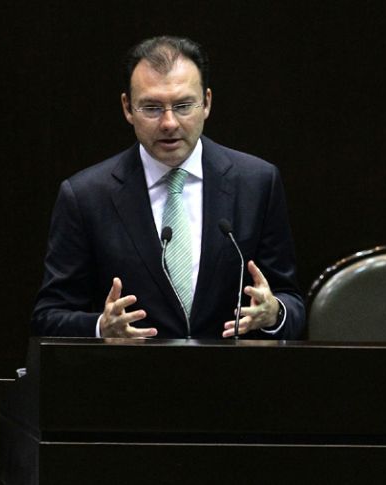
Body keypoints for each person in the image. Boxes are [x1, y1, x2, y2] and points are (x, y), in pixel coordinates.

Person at [31, 35, 305, 339]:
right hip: (130, 368)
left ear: (207, 103)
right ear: (127, 108)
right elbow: (49, 316)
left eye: (183, 105)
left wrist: (274, 313)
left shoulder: (257, 183)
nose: (169, 123)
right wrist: (101, 327)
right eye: (151, 108)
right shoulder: (86, 196)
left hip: (231, 367)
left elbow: (292, 303)